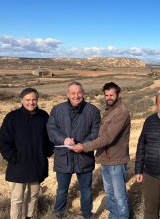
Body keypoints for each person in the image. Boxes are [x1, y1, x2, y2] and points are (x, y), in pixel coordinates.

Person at [71, 82, 131, 219]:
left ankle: (122, 217)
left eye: (111, 95)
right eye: (106, 95)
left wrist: (84, 147)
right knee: (110, 193)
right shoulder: (108, 111)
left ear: (118, 95)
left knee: (119, 195)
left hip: (116, 160)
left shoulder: (121, 112)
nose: (109, 97)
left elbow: (107, 138)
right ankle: (113, 216)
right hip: (106, 159)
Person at [47, 81, 101, 219]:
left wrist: (82, 145)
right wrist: (63, 140)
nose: (76, 96)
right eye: (73, 93)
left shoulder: (93, 111)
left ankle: (87, 213)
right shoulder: (57, 110)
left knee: (86, 190)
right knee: (62, 189)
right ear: (67, 94)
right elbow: (51, 129)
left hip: (84, 156)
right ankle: (58, 213)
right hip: (63, 157)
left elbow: (95, 132)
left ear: (83, 93)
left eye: (79, 93)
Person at [0, 87, 53, 219]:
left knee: (33, 196)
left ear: (38, 100)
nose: (31, 102)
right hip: (18, 166)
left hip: (37, 164)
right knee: (17, 198)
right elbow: (3, 142)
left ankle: (30, 216)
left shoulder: (44, 116)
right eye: (27, 100)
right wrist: (14, 158)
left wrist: (47, 152)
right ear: (21, 100)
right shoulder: (12, 117)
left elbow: (50, 138)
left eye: (34, 99)